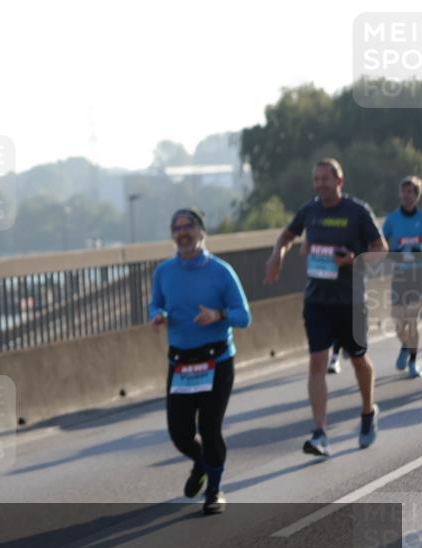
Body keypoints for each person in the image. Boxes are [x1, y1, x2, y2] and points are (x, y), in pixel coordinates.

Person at [264, 158, 388, 455]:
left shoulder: (357, 211)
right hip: (317, 300)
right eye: (316, 179)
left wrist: (353, 259)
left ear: (339, 181)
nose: (319, 184)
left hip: (350, 301)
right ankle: (320, 433)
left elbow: (380, 250)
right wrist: (277, 255)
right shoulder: (310, 210)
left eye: (325, 179)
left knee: (358, 359)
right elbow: (287, 236)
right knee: (317, 362)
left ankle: (368, 411)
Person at [149, 208, 251, 515]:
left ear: (201, 232)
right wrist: (157, 315)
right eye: (177, 227)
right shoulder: (164, 272)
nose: (183, 232)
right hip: (181, 363)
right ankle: (201, 462)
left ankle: (215, 490)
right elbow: (156, 302)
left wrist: (218, 315)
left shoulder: (221, 272)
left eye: (188, 226)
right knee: (179, 433)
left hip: (216, 360)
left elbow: (244, 316)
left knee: (209, 427)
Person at [382, 175, 422, 379]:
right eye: (404, 192)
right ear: (400, 194)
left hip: (418, 276)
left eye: (411, 192)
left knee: (412, 319)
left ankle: (414, 362)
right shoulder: (391, 220)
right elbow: (379, 243)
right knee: (398, 322)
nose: (407, 196)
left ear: (417, 196)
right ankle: (405, 346)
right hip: (399, 276)